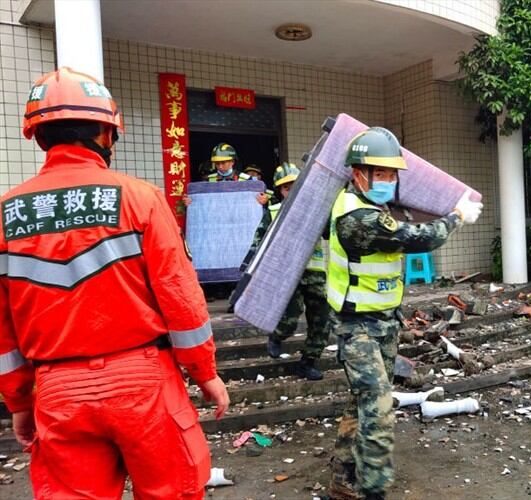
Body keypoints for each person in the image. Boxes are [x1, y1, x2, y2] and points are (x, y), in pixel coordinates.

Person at [0, 67, 230, 498]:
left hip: (57, 391)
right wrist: (204, 372)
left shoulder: (5, 214)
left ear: (37, 136)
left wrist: (18, 402)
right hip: (144, 382)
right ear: (107, 134)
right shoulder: (139, 197)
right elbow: (180, 297)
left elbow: (3, 332)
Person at [326, 127, 482, 500]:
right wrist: (455, 216)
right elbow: (417, 239)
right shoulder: (357, 218)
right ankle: (373, 490)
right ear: (358, 173)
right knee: (379, 407)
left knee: (360, 401)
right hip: (357, 327)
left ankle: (343, 476)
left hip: (383, 323)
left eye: (392, 174)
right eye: (380, 173)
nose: (388, 180)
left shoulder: (373, 207)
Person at [259, 163, 330, 380]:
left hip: (315, 275)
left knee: (321, 322)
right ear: (280, 191)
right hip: (288, 275)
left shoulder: (316, 210)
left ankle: (308, 362)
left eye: (296, 186)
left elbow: (329, 233)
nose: (292, 191)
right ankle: (277, 336)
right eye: (286, 188)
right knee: (290, 318)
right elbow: (259, 242)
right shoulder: (272, 212)